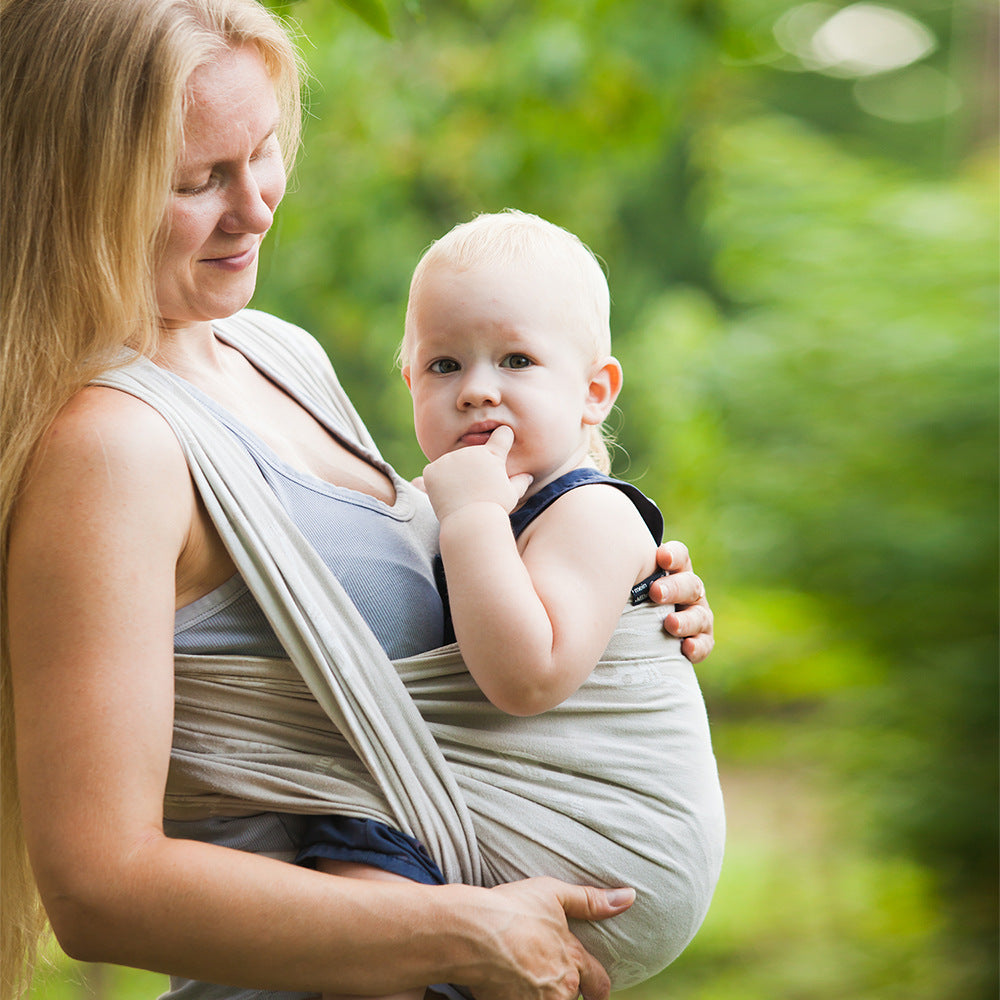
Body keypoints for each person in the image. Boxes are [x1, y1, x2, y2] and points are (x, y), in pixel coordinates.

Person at [0, 3, 716, 1000]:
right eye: (201, 180)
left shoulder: (275, 350)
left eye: (263, 153)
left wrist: (610, 592)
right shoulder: (115, 447)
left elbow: (409, 622)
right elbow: (97, 889)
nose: (255, 208)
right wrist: (454, 933)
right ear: (81, 185)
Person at [299, 211, 724, 999]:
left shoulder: (590, 514)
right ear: (409, 383)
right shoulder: (457, 506)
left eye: (517, 359)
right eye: (444, 365)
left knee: (351, 851)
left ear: (595, 391)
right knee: (340, 858)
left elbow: (525, 678)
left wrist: (471, 519)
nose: (477, 390)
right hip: (517, 830)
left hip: (614, 853)